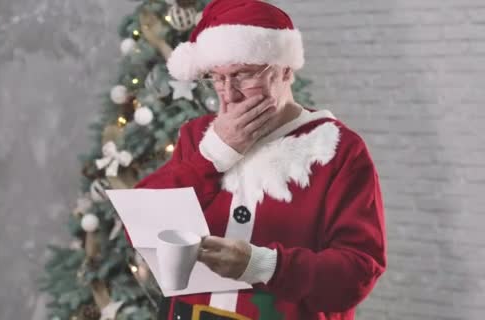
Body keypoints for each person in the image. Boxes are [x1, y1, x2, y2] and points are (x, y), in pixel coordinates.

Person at [131, 0, 387, 319]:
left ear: (285, 70)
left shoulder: (339, 149)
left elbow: (357, 274)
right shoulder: (199, 136)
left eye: (243, 75)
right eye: (217, 77)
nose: (229, 93)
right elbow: (142, 225)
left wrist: (263, 265)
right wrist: (214, 154)